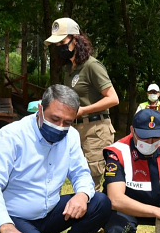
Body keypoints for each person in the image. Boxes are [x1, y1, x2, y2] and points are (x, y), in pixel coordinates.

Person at [0, 84, 112, 233]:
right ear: (40, 109)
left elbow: (81, 173)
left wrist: (82, 195)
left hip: (47, 213)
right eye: (54, 119)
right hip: (12, 217)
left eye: (67, 122)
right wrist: (6, 226)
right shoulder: (12, 135)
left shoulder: (71, 136)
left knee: (100, 202)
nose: (60, 127)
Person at [45, 18, 119, 191]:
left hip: (96, 130)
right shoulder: (70, 70)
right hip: (76, 130)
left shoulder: (92, 66)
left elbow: (113, 98)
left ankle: (98, 215)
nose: (59, 47)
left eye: (62, 42)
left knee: (92, 182)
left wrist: (84, 110)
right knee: (78, 178)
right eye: (57, 44)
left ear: (75, 39)